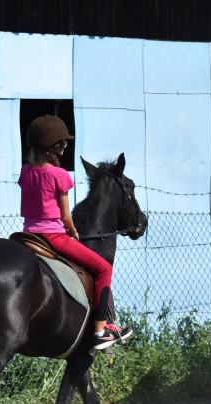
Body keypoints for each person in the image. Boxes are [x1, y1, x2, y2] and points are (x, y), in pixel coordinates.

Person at [19, 115, 133, 350]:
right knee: (103, 268)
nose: (64, 148)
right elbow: (65, 216)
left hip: (28, 235)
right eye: (63, 144)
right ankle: (101, 330)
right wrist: (72, 231)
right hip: (53, 237)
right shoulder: (60, 176)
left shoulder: (25, 172)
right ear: (56, 147)